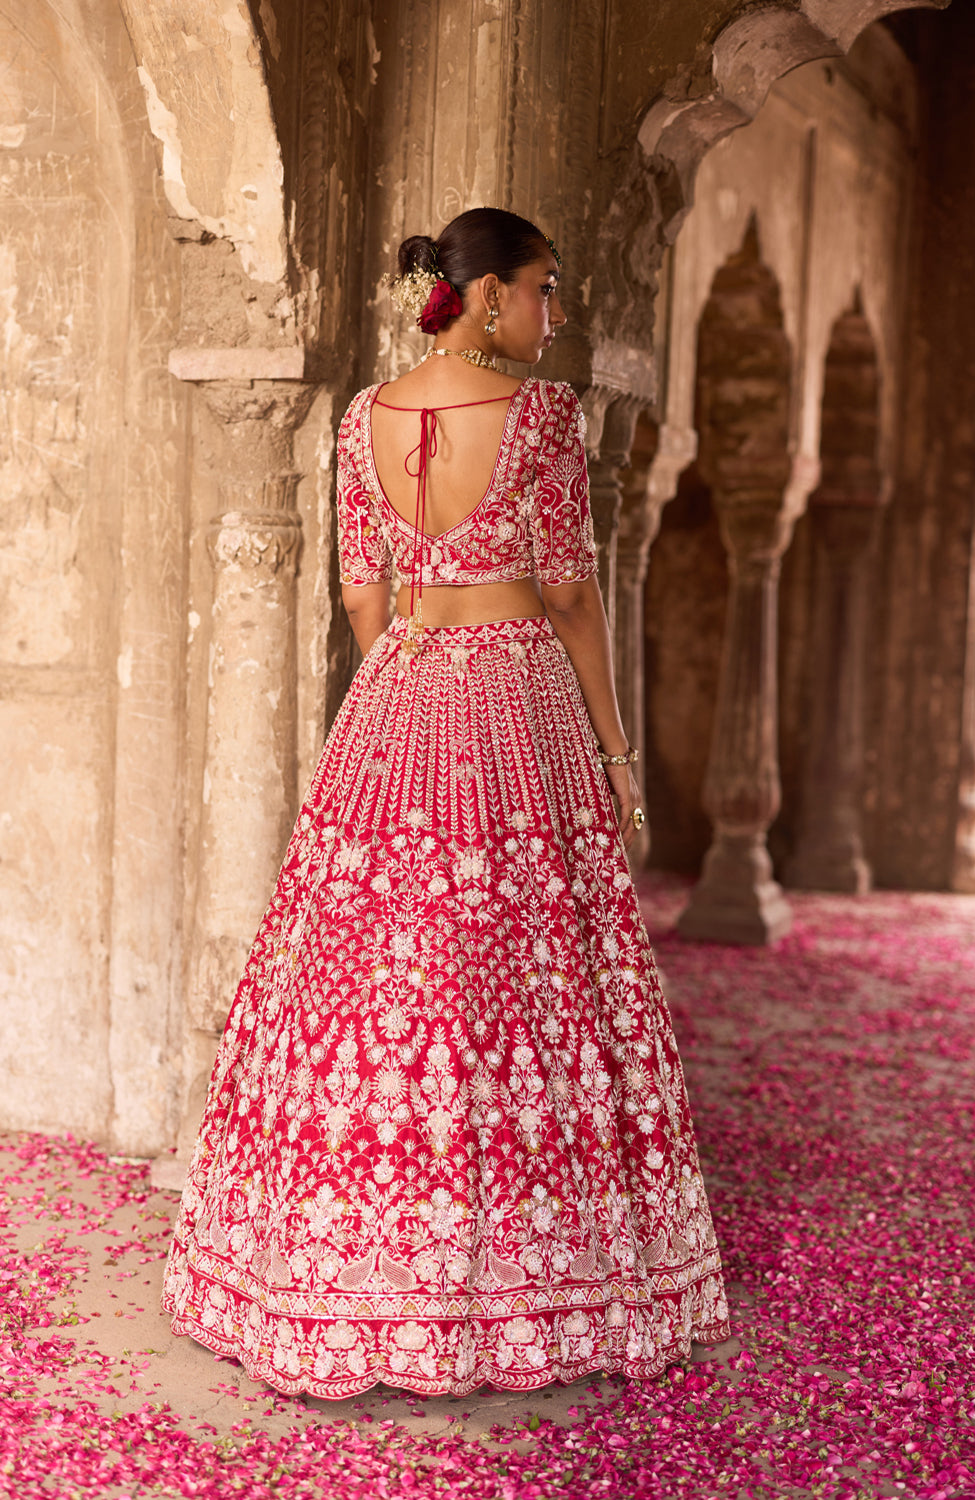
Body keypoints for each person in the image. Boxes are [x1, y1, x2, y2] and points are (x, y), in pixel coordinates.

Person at [162, 207, 730, 1398]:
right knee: (522, 985)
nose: (554, 314)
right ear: (485, 298)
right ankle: (512, 1278)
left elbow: (361, 595)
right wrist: (614, 757)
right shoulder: (541, 417)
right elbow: (572, 593)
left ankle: (336, 1271)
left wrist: (407, 692)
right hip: (516, 694)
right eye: (545, 290)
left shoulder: (367, 417)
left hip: (399, 696)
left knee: (377, 980)